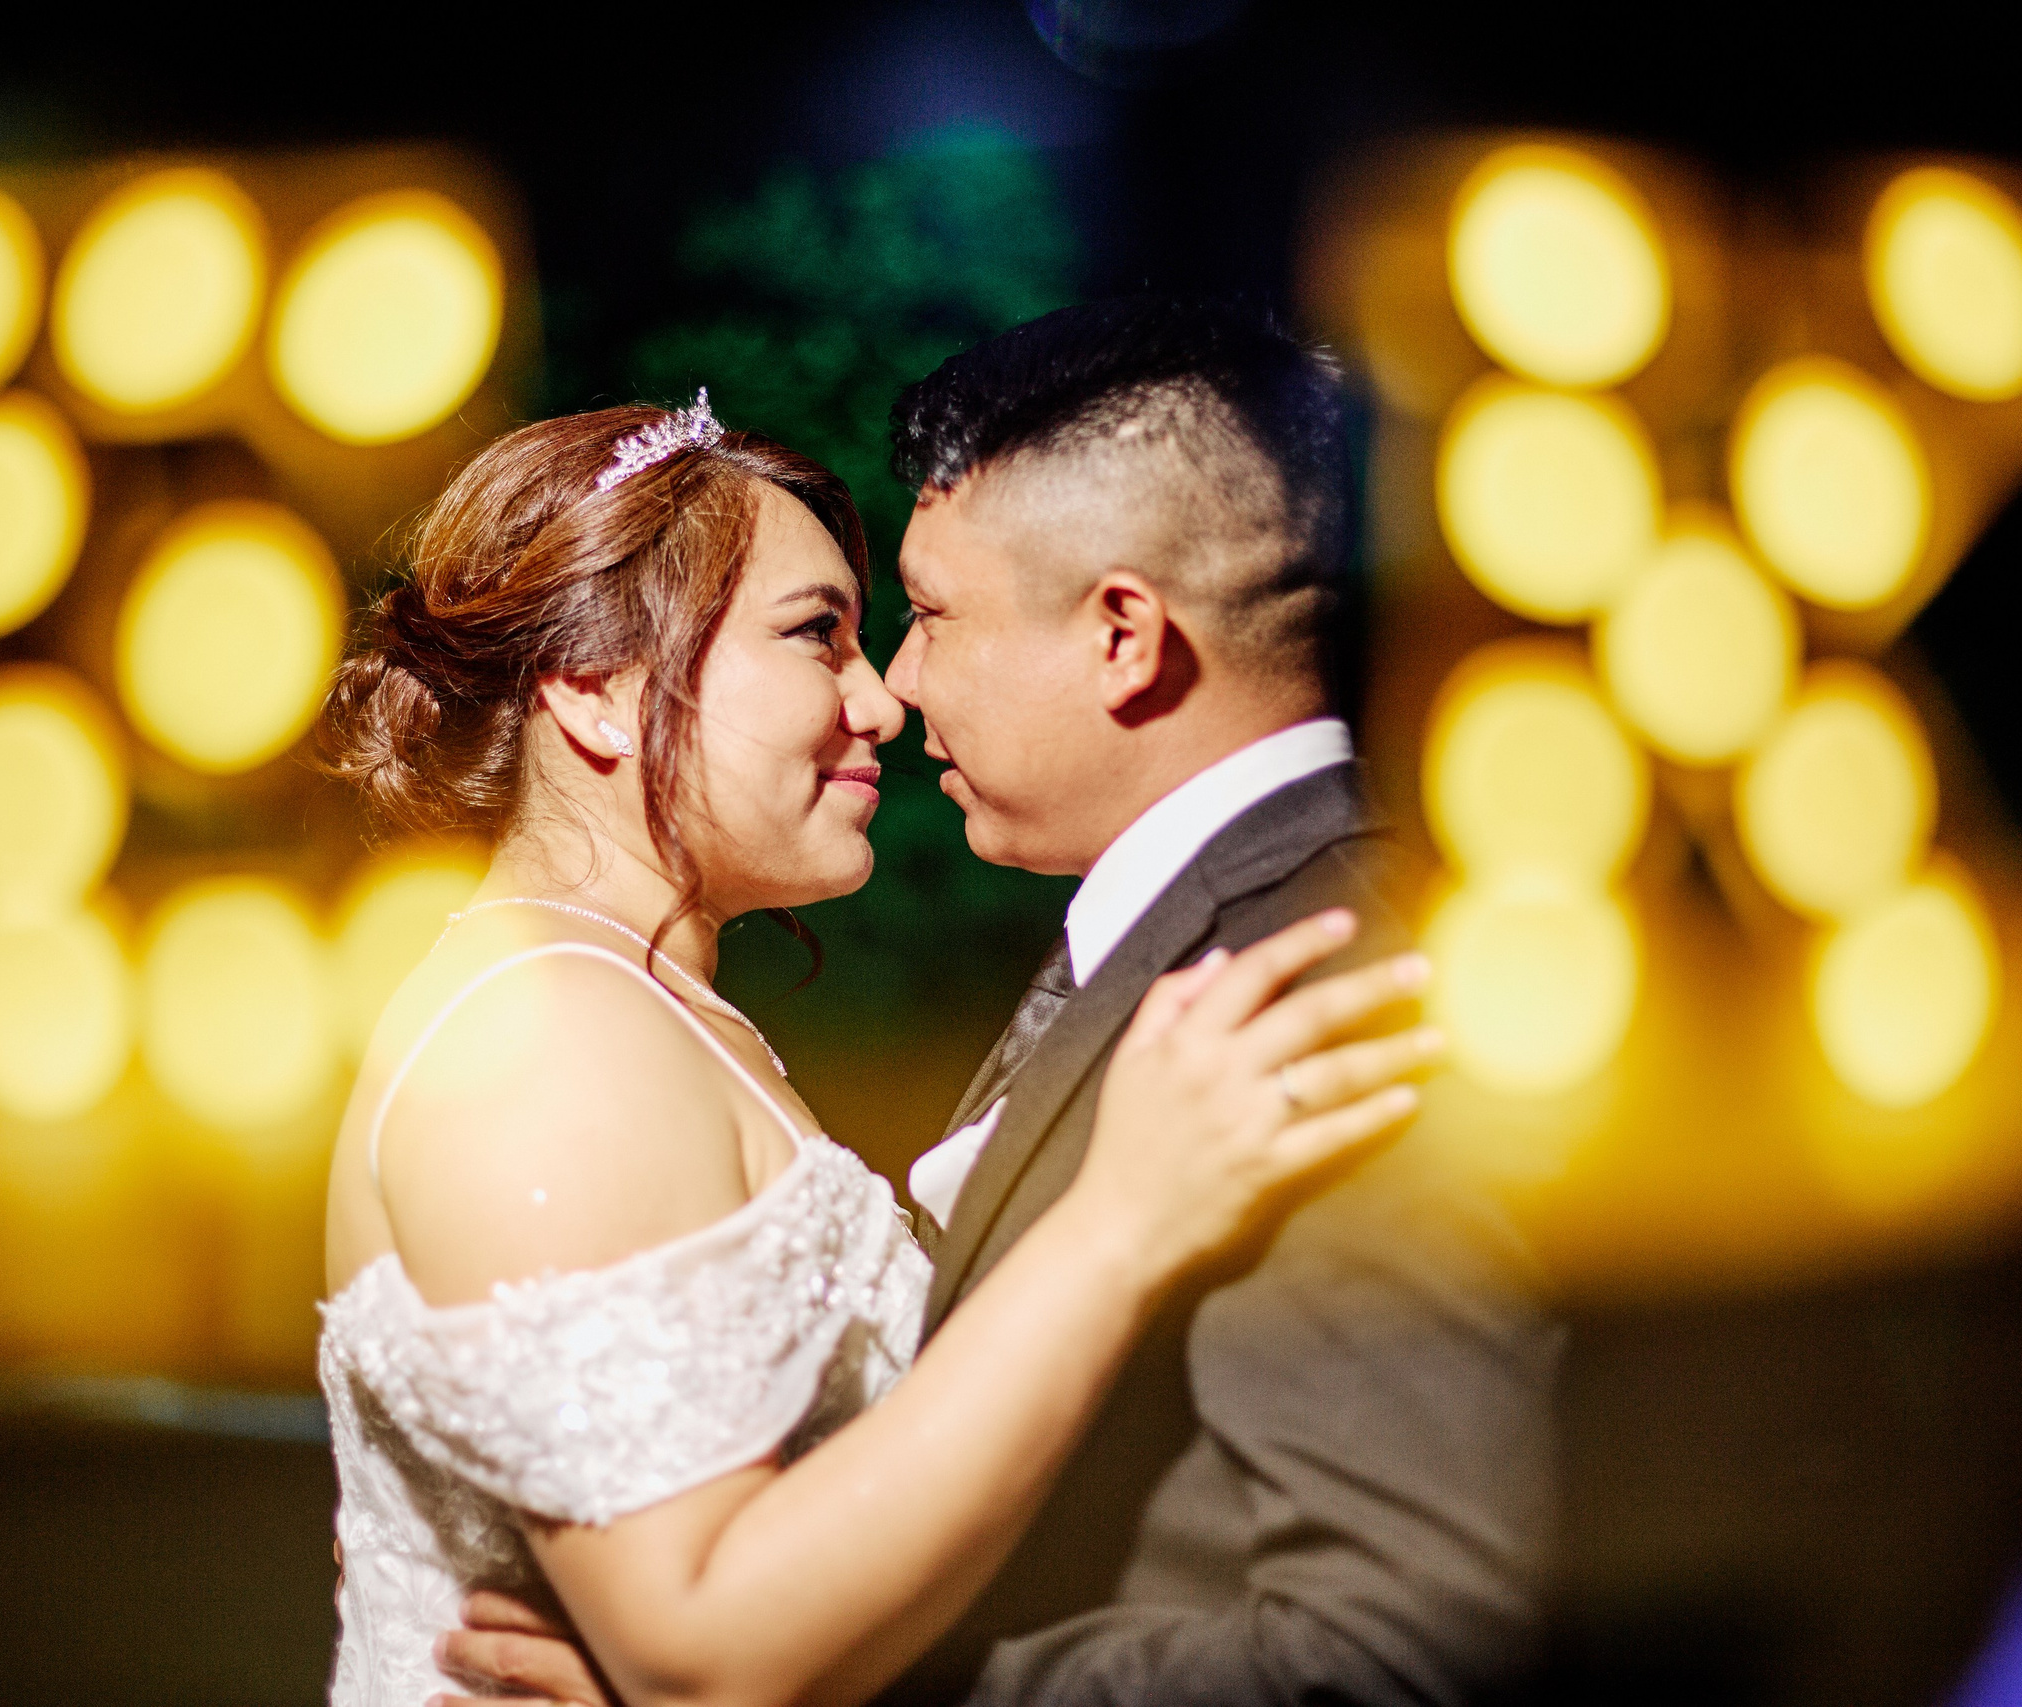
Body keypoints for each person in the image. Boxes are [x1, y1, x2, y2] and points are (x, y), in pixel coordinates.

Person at [430, 299, 1561, 1707]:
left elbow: (1402, 1651)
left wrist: (850, 1684)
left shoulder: (1321, 980)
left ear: (1122, 636)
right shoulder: (1201, 932)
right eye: (834, 633)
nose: (896, 687)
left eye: (931, 616)